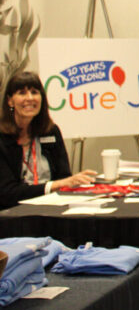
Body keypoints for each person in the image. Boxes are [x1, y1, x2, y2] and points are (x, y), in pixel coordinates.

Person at [0, 71, 96, 208]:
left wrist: (75, 182)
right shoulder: (2, 137)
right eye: (22, 93)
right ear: (10, 100)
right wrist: (54, 186)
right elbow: (6, 193)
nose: (30, 98)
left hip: (50, 210)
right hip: (11, 215)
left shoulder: (51, 131)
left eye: (34, 92)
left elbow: (64, 178)